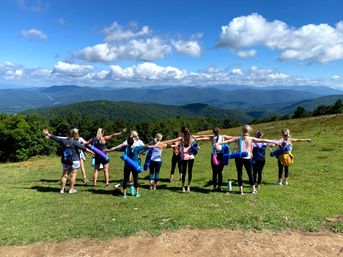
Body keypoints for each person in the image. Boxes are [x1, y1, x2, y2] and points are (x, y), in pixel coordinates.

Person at [216, 125, 275, 195]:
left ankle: (241, 190)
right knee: (250, 173)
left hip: (238, 157)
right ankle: (253, 189)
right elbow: (263, 140)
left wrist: (218, 143)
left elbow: (228, 141)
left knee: (239, 173)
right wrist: (274, 141)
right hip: (247, 158)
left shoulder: (238, 138)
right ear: (249, 131)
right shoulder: (251, 138)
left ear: (242, 130)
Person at [43, 128, 94, 194]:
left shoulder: (63, 141)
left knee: (64, 175)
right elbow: (83, 148)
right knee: (73, 175)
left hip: (65, 160)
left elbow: (55, 138)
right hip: (75, 161)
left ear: (67, 134)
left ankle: (62, 190)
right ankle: (71, 190)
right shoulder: (75, 142)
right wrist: (92, 152)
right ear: (74, 135)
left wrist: (48, 134)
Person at [161, 126, 205, 193]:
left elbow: (171, 141)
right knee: (190, 172)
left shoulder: (181, 138)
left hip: (184, 157)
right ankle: (188, 187)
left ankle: (183, 187)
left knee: (184, 172)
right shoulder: (192, 137)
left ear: (182, 132)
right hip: (191, 157)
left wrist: (161, 142)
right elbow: (201, 137)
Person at [196, 127, 234, 192]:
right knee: (220, 171)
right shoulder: (223, 137)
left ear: (213, 132)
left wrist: (196, 139)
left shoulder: (212, 137)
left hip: (214, 155)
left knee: (214, 172)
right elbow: (231, 138)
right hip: (221, 155)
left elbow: (203, 138)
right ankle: (219, 186)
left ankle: (214, 187)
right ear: (219, 131)